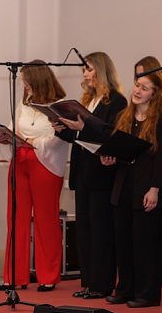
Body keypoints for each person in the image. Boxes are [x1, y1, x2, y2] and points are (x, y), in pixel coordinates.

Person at [53, 52, 127, 299]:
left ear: (101, 70)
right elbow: (79, 138)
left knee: (101, 230)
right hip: (83, 170)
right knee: (84, 229)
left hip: (102, 172)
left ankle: (102, 283)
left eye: (88, 68)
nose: (85, 74)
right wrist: (61, 130)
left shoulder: (116, 101)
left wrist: (83, 127)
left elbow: (110, 135)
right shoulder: (88, 100)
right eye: (84, 69)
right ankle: (88, 281)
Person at [0, 61, 70, 292]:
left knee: (46, 220)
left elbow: (60, 138)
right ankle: (15, 277)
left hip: (45, 163)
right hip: (20, 161)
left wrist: (35, 142)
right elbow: (13, 127)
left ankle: (48, 275)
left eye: (27, 81)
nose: (25, 86)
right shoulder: (23, 103)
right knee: (16, 218)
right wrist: (4, 136)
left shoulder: (59, 105)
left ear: (39, 80)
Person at [104, 68, 162, 308]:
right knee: (123, 241)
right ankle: (125, 288)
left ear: (153, 95)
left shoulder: (161, 121)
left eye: (144, 88)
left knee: (144, 242)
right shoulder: (124, 117)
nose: (137, 90)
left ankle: (147, 293)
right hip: (123, 185)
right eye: (136, 85)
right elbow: (118, 150)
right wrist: (109, 157)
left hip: (146, 185)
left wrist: (155, 188)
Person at [135, 57, 162, 287]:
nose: (138, 87)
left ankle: (158, 272)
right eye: (136, 80)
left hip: (158, 167)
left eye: (144, 81)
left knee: (155, 222)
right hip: (141, 170)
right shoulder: (132, 113)